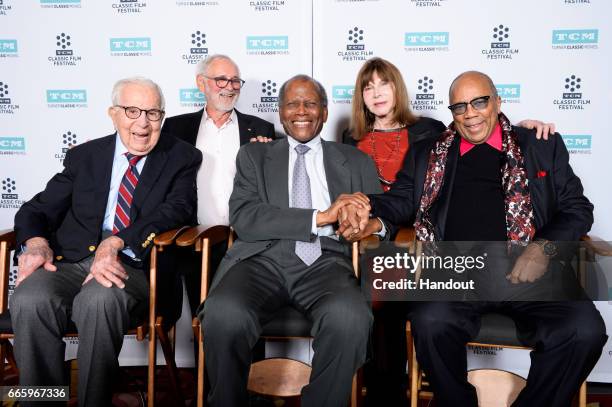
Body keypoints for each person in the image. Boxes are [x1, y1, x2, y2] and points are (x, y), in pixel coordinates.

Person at [344, 71, 607, 407]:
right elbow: (400, 200)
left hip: (531, 270)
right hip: (458, 270)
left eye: (480, 102)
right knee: (429, 321)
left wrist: (544, 247)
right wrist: (360, 204)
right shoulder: (429, 153)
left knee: (584, 331)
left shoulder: (539, 144)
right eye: (459, 106)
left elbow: (577, 209)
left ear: (497, 102)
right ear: (452, 112)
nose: (470, 113)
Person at [11, 77, 202, 407]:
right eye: (132, 111)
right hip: (70, 262)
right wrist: (37, 243)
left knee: (98, 299)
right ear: (113, 113)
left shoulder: (181, 156)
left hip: (136, 266)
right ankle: (41, 402)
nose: (143, 123)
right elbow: (36, 208)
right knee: (29, 298)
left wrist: (115, 243)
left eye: (153, 113)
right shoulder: (85, 156)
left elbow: (176, 211)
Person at [198, 75, 381, 407]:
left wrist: (370, 226)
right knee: (224, 312)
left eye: (311, 103)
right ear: (280, 113)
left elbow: (382, 212)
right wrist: (320, 217)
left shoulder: (355, 160)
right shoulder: (254, 157)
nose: (301, 111)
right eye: (292, 104)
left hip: (327, 261)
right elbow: (246, 218)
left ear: (324, 112)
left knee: (350, 317)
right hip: (260, 260)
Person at [161, 54, 275, 314]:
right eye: (221, 80)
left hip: (246, 241)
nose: (230, 87)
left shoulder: (261, 129)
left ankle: (254, 359)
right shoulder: (175, 129)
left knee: (249, 313)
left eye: (235, 81)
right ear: (202, 83)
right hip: (194, 240)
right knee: (202, 319)